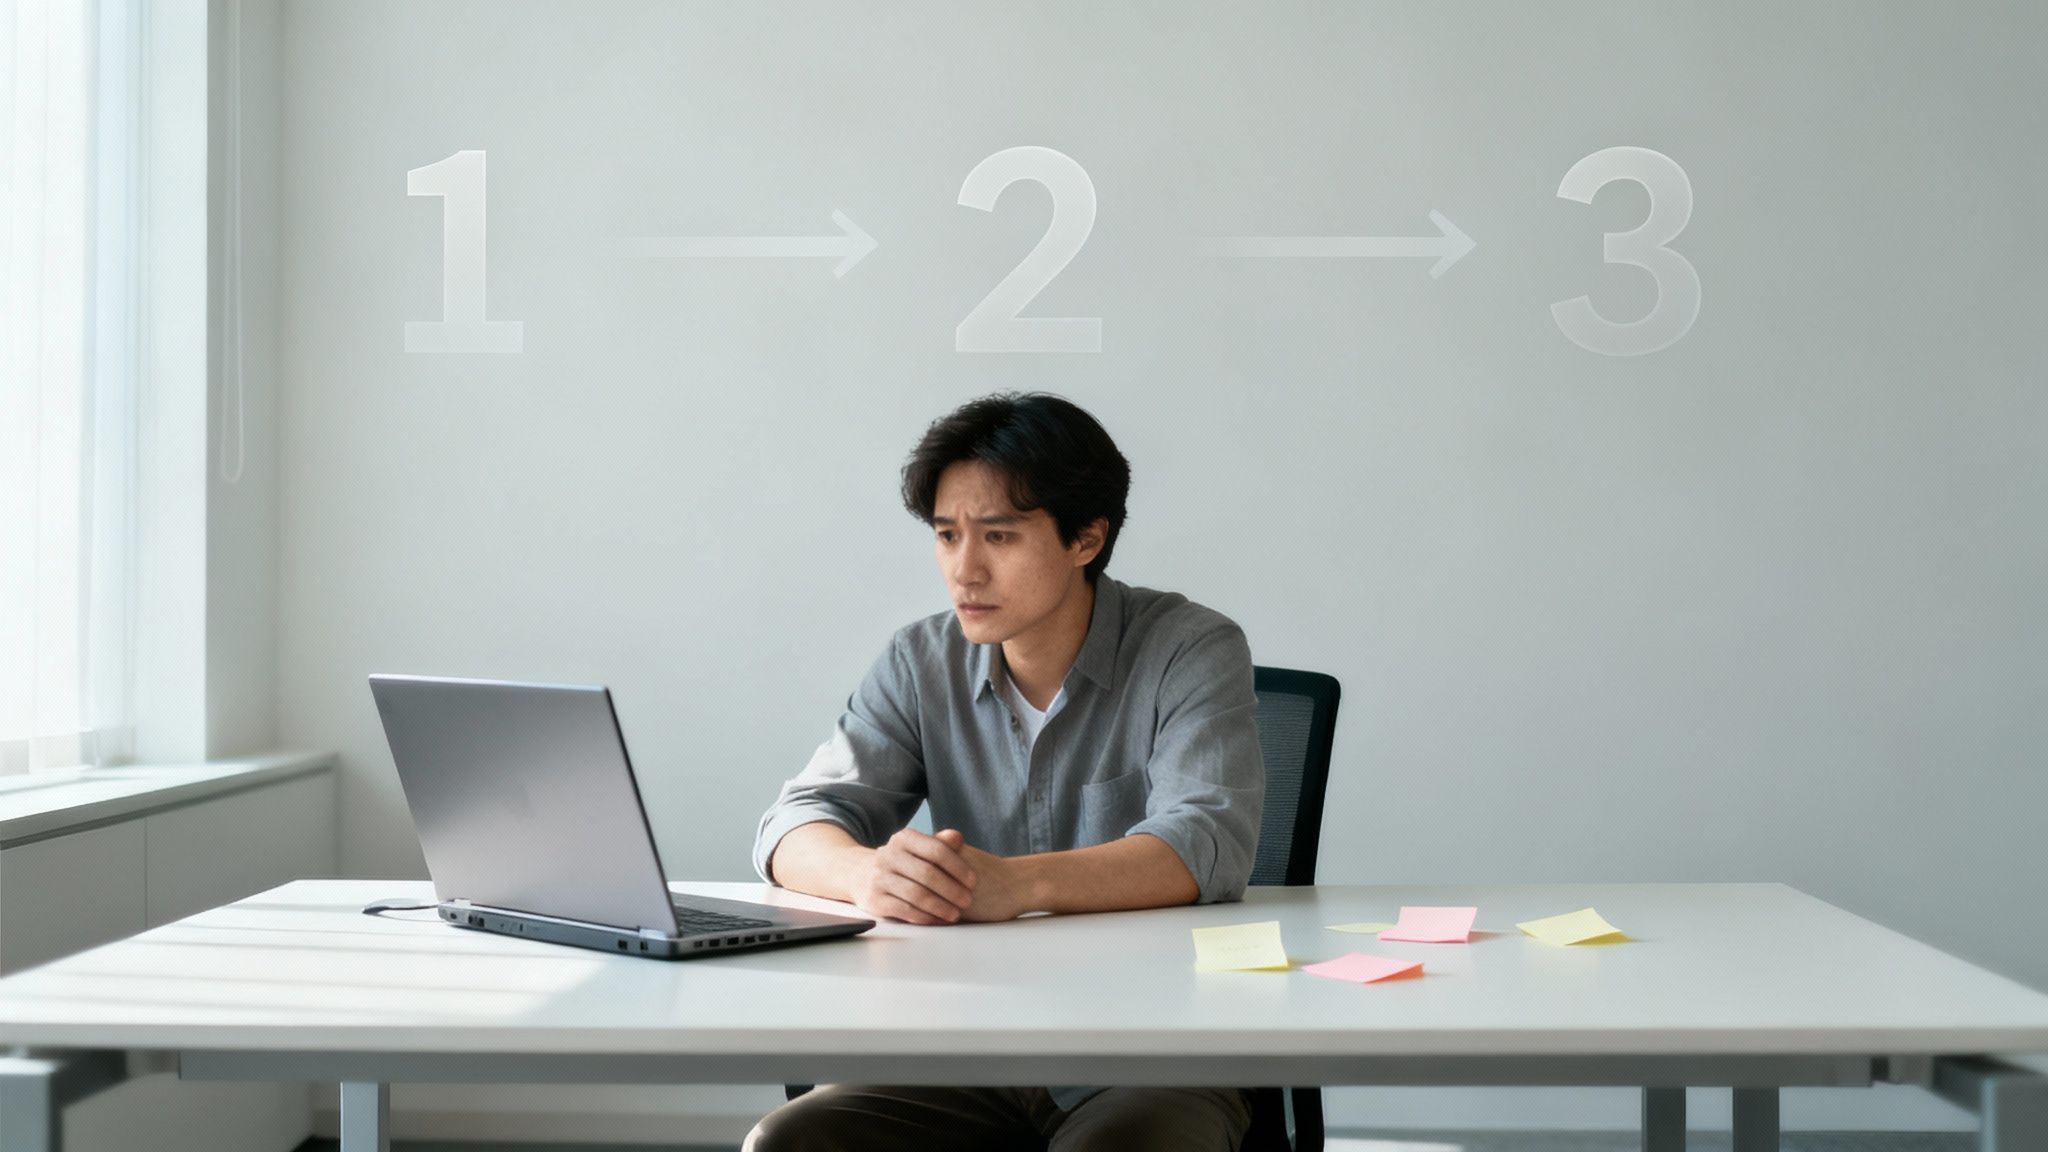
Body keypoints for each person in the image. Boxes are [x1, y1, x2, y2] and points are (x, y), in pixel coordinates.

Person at [746, 392, 1264, 1152]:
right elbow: (795, 822)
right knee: (789, 1141)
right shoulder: (919, 660)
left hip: (1150, 1048)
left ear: (1086, 538)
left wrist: (1018, 885)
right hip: (963, 1042)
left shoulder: (1191, 648)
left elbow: (1206, 840)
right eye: (947, 535)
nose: (965, 570)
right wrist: (865, 875)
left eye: (999, 536)